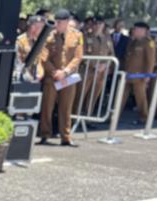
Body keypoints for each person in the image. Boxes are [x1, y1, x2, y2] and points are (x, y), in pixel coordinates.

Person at [39, 9, 83, 146]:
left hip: (68, 78)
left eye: (59, 22)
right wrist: (55, 72)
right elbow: (43, 57)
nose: (56, 24)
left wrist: (65, 72)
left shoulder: (77, 35)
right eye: (56, 21)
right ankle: (45, 134)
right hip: (52, 77)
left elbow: (78, 57)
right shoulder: (49, 35)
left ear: (67, 22)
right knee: (47, 107)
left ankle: (66, 136)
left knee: (66, 107)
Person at [121, 22, 156, 124]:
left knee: (140, 98)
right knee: (121, 96)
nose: (134, 31)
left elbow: (151, 60)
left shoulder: (148, 43)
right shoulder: (133, 42)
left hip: (139, 75)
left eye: (136, 29)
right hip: (128, 73)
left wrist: (148, 75)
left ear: (142, 31)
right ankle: (114, 116)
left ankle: (143, 117)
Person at [81, 16, 114, 115]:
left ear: (104, 25)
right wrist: (95, 65)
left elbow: (111, 54)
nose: (98, 26)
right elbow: (82, 53)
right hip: (88, 71)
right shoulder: (86, 37)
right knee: (81, 95)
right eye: (96, 24)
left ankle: (88, 117)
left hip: (101, 74)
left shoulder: (107, 38)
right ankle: (75, 118)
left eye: (100, 24)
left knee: (93, 97)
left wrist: (105, 65)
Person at [16, 15, 47, 81]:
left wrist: (41, 73)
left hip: (37, 78)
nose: (41, 30)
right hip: (24, 78)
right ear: (33, 27)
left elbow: (40, 61)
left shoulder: (38, 42)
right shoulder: (20, 41)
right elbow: (18, 63)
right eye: (40, 27)